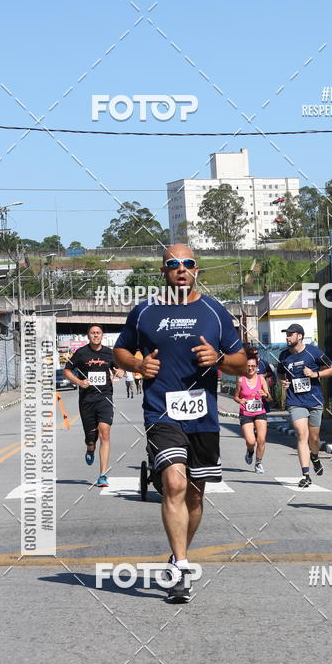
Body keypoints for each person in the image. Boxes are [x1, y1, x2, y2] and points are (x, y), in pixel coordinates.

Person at [113, 244, 247, 603]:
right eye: (174, 264)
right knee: (173, 483)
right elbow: (120, 351)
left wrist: (219, 358)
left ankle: (177, 554)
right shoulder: (144, 312)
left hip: (203, 416)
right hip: (161, 412)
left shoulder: (214, 312)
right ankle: (182, 569)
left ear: (197, 270)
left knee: (195, 495)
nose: (181, 269)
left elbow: (241, 361)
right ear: (164, 271)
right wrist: (138, 366)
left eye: (187, 263)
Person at [278, 324, 332, 488]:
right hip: (295, 401)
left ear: (300, 336)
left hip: (314, 400)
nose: (287, 337)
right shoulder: (284, 356)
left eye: (290, 334)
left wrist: (315, 374)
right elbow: (280, 372)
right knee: (301, 435)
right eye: (286, 334)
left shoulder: (314, 352)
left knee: (314, 438)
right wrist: (282, 381)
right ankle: (305, 475)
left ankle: (315, 457)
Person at [64, 324, 121, 488]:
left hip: (105, 397)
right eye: (92, 333)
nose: (96, 335)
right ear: (88, 336)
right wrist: (79, 382)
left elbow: (119, 369)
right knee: (91, 439)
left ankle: (102, 475)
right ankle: (90, 448)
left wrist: (120, 371)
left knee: (105, 433)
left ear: (102, 335)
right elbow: (66, 371)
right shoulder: (81, 353)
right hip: (87, 400)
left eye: (98, 333)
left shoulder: (109, 353)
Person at [233, 356, 270, 473]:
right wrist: (240, 400)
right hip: (246, 413)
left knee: (261, 439)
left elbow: (269, 398)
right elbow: (235, 396)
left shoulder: (261, 379)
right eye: (248, 366)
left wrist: (265, 395)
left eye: (253, 366)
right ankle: (250, 452)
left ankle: (258, 463)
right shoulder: (241, 380)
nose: (250, 368)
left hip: (260, 412)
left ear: (257, 367)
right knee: (250, 441)